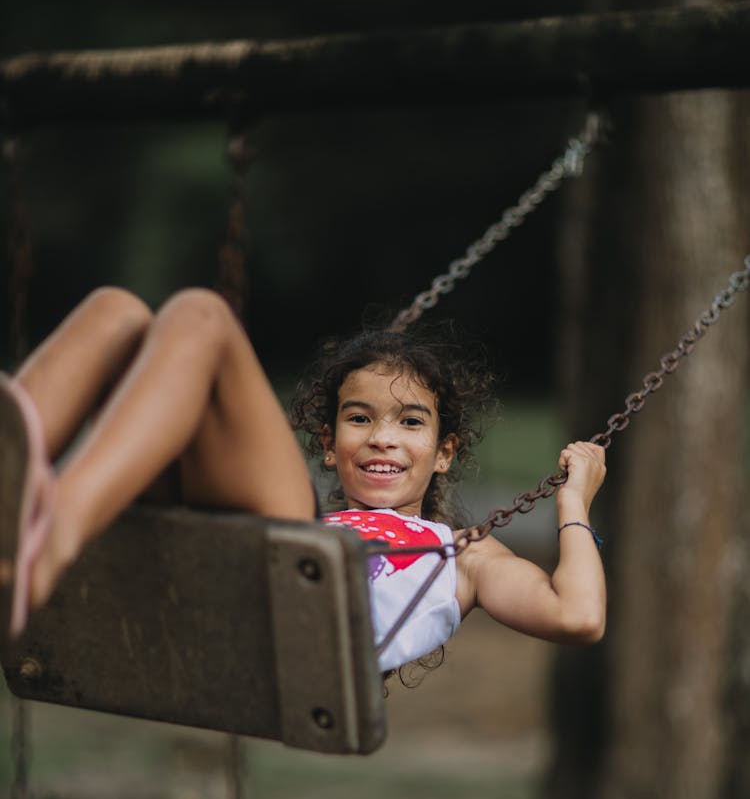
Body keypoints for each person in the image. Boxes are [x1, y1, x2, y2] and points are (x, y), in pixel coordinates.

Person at [0, 286, 606, 671]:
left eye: (411, 422)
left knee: (200, 315)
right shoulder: (320, 513)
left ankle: (47, 537)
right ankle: (22, 525)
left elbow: (578, 617)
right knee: (116, 312)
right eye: (358, 418)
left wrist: (573, 501)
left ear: (443, 452)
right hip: (226, 555)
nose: (381, 437)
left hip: (298, 596)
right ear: (328, 445)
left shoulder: (466, 554)